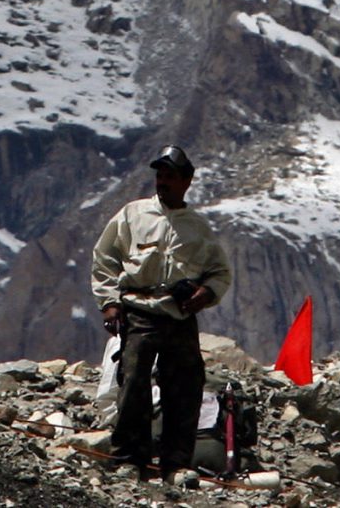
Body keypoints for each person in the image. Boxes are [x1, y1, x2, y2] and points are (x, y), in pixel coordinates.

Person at [91, 145, 233, 478]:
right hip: (139, 312)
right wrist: (110, 302)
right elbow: (104, 259)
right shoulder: (132, 214)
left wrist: (205, 293)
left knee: (184, 389)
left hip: (180, 317)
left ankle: (177, 464)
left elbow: (220, 273)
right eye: (160, 175)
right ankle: (128, 459)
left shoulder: (198, 228)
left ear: (187, 181)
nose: (163, 182)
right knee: (133, 385)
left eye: (171, 176)